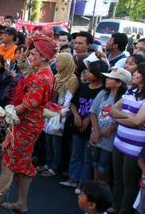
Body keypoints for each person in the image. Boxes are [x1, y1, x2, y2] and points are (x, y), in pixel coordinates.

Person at [0, 33, 56, 214]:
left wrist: (1, 116)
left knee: (9, 165)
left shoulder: (42, 78)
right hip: (29, 124)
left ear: (42, 57)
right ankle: (21, 203)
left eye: (33, 54)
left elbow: (26, 106)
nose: (29, 56)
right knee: (23, 164)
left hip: (26, 125)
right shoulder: (43, 73)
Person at [60, 61, 107, 193]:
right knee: (76, 153)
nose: (87, 73)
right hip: (77, 124)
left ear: (98, 74)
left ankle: (83, 184)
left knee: (87, 158)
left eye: (90, 71)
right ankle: (72, 179)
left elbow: (99, 111)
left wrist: (87, 120)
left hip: (91, 128)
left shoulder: (102, 92)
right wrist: (76, 116)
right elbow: (74, 103)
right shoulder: (83, 87)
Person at [110, 63, 145, 214]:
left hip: (134, 148)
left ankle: (124, 212)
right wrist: (130, 118)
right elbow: (112, 110)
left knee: (129, 181)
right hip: (119, 142)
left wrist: (122, 117)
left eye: (138, 72)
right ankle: (116, 205)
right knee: (117, 178)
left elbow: (137, 121)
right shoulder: (131, 91)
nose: (135, 74)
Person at [89, 67, 129, 186]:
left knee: (103, 168)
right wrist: (96, 131)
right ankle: (96, 191)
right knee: (95, 164)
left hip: (110, 139)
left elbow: (125, 119)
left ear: (119, 83)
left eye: (111, 78)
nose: (107, 79)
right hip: (97, 136)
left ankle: (105, 193)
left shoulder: (124, 99)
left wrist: (111, 128)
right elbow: (93, 112)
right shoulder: (103, 93)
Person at [42, 52, 79, 177]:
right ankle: (48, 163)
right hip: (51, 111)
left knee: (56, 142)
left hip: (61, 114)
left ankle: (54, 168)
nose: (56, 64)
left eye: (58, 61)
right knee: (48, 139)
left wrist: (59, 112)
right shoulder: (57, 76)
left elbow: (69, 100)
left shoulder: (72, 79)